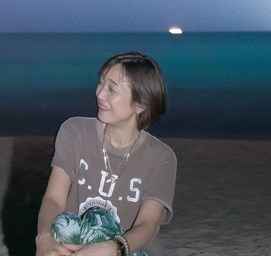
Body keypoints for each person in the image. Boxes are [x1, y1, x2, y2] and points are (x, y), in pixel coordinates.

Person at [35, 52, 176, 256]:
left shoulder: (161, 157)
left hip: (122, 251)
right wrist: (44, 237)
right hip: (69, 244)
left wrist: (114, 247)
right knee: (65, 226)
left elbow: (148, 225)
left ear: (140, 105)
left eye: (112, 89)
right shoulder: (75, 131)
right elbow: (54, 198)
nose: (100, 93)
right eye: (101, 83)